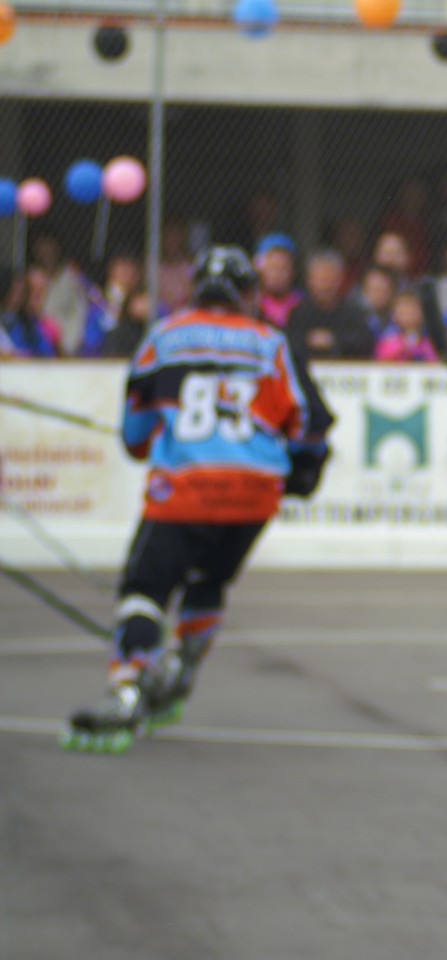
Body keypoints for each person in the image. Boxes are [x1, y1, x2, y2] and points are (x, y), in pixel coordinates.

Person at [61, 246, 333, 753]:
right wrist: (302, 471)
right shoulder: (272, 342)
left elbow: (135, 436)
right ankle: (181, 670)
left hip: (185, 492)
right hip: (253, 494)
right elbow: (311, 425)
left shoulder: (163, 337)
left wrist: (159, 436)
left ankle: (127, 692)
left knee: (144, 590)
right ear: (247, 293)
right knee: (208, 580)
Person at [285, 249, 377, 360]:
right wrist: (310, 341)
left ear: (340, 280)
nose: (324, 284)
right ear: (309, 280)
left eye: (329, 278)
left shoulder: (353, 312)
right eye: (320, 278)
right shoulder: (298, 313)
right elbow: (289, 345)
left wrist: (333, 340)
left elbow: (365, 342)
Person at [373, 287, 439, 363]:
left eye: (413, 310)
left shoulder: (428, 343)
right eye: (403, 311)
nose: (408, 314)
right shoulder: (387, 341)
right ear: (394, 315)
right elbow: (380, 363)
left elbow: (435, 362)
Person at [254, 233, 302, 328]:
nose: (278, 274)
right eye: (273, 267)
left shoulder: (301, 302)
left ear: (293, 270)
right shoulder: (252, 303)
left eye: (283, 268)